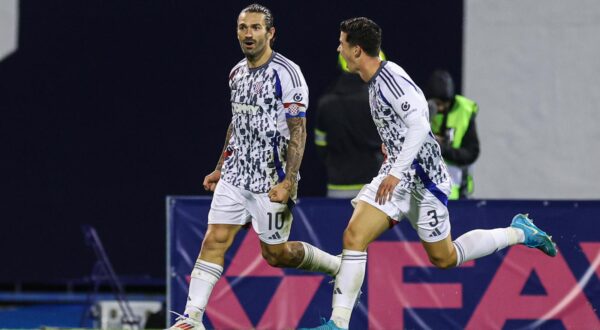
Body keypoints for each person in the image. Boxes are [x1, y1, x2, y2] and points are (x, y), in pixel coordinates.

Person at [304, 17, 557, 330]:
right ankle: (338, 324)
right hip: (396, 176)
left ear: (357, 51)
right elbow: (404, 124)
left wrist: (397, 170)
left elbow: (420, 124)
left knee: (445, 258)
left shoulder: (390, 79)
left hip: (424, 182)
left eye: (342, 43)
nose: (338, 47)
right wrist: (392, 152)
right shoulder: (373, 78)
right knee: (353, 237)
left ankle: (519, 232)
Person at [169, 4, 341, 329]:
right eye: (243, 28)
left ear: (270, 33)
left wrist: (289, 181)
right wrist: (221, 165)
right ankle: (192, 319)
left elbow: (298, 130)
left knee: (275, 255)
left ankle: (336, 266)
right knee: (214, 239)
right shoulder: (236, 72)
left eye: (256, 28)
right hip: (236, 176)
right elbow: (237, 121)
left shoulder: (288, 74)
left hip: (271, 180)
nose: (249, 34)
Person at [314, 53, 384, 198]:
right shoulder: (377, 103)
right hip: (373, 190)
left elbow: (320, 145)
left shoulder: (326, 103)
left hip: (337, 187)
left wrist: (335, 163)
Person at [427, 70, 480, 199]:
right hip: (424, 191)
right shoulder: (420, 109)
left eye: (444, 104)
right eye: (437, 104)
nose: (440, 108)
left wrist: (443, 148)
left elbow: (471, 153)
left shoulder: (464, 112)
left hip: (454, 191)